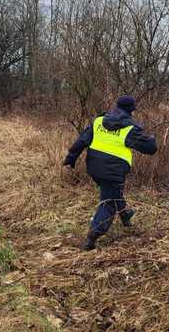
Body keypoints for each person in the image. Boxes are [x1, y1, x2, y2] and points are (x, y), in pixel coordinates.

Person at [63, 95, 158, 250]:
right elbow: (151, 148)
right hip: (113, 170)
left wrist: (71, 157)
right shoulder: (129, 128)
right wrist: (152, 138)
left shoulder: (99, 121)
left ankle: (125, 215)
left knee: (112, 191)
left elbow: (82, 140)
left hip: (94, 167)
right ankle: (93, 235)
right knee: (109, 202)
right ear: (130, 111)